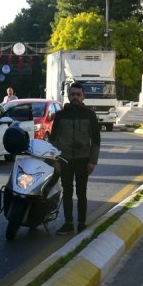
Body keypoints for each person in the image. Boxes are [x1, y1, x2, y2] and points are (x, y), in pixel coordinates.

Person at [50, 82, 101, 235]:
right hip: (64, 160)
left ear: (83, 96)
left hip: (83, 160)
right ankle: (68, 223)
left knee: (81, 193)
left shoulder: (90, 115)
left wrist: (92, 161)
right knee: (66, 192)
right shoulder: (60, 115)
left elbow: (96, 140)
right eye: (72, 94)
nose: (75, 97)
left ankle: (81, 224)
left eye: (78, 94)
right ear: (68, 95)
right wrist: (55, 160)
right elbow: (53, 139)